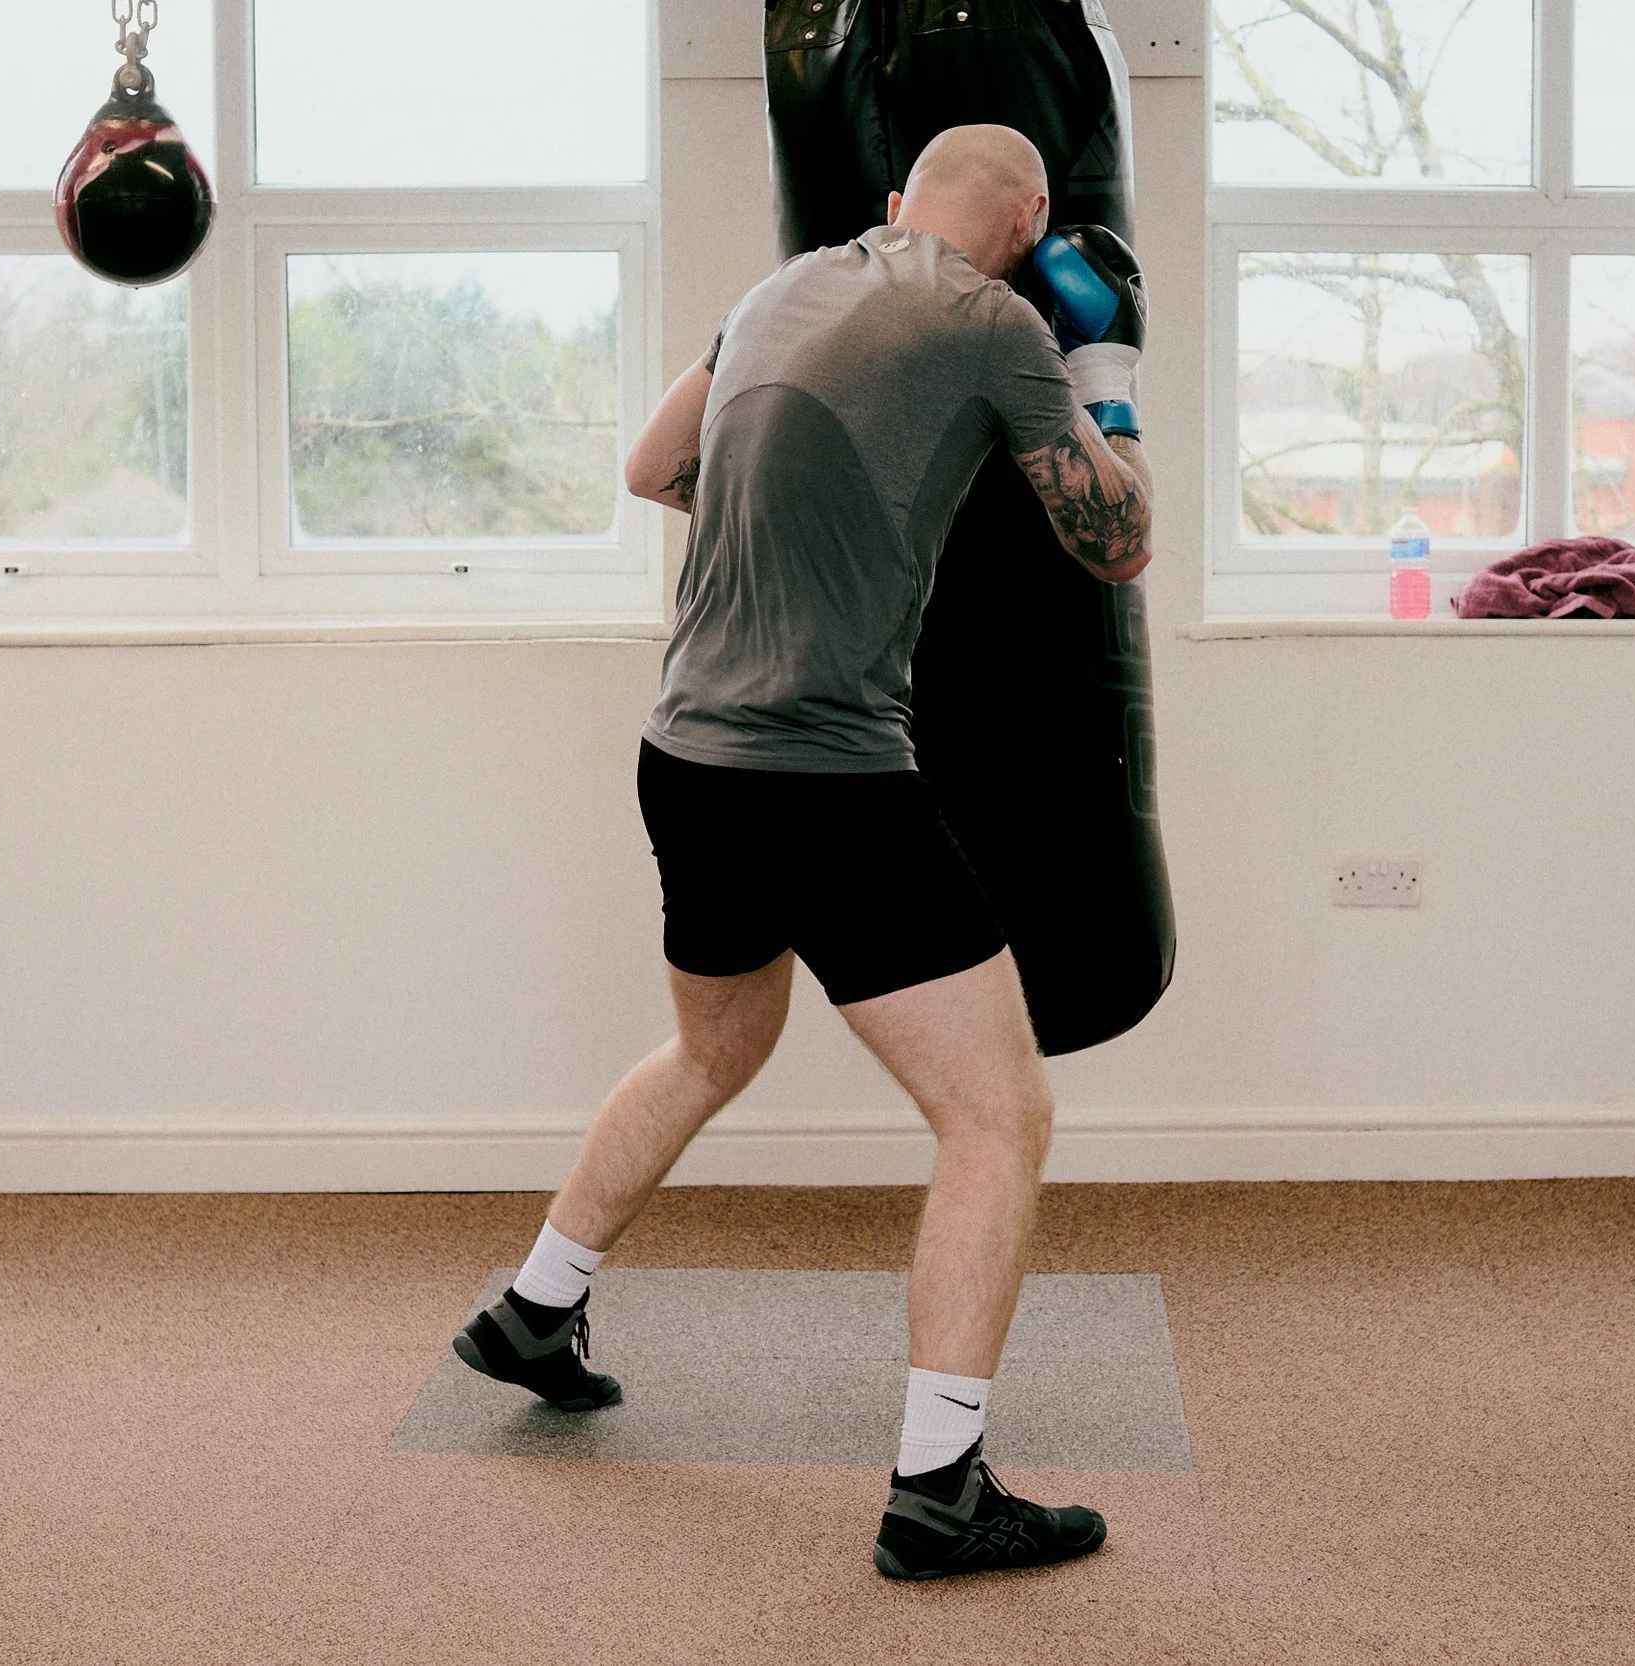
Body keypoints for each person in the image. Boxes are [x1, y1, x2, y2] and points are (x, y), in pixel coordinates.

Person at [452, 124, 1154, 1581]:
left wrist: (816, 520)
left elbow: (655, 465)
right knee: (997, 1118)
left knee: (712, 1048)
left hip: (686, 754)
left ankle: (536, 1303)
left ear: (897, 205)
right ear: (1027, 220)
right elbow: (1114, 545)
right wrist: (1108, 374)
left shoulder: (778, 290)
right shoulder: (997, 319)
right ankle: (941, 1487)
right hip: (827, 777)